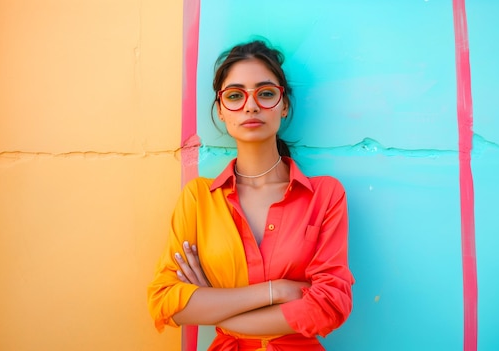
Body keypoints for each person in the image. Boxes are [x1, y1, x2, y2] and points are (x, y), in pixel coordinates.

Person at [148, 39, 354, 351]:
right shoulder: (199, 198)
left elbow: (330, 305)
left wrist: (221, 312)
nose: (251, 105)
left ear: (283, 106)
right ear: (221, 110)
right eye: (235, 95)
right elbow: (165, 300)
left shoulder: (325, 195)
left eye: (266, 93)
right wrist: (279, 290)